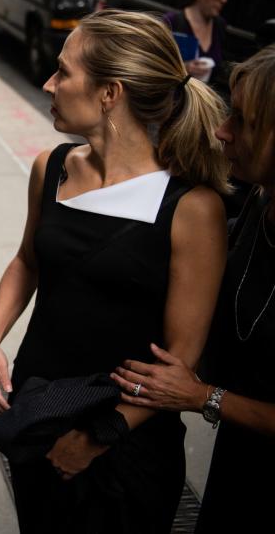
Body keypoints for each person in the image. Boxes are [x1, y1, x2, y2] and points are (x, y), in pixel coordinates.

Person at [0, 10, 230, 534]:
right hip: (39, 411)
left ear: (110, 92)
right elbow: (28, 260)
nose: (49, 83)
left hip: (127, 440)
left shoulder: (190, 207)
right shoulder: (53, 166)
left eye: (63, 72)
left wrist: (98, 438)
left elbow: (181, 361)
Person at [111, 46, 275, 534]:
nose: (224, 132)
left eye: (243, 122)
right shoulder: (257, 204)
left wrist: (206, 396)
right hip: (242, 464)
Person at [165, 0, 232, 87]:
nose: (224, 0)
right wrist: (183, 68)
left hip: (200, 102)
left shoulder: (219, 25)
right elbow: (151, 64)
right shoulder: (172, 22)